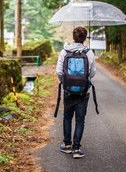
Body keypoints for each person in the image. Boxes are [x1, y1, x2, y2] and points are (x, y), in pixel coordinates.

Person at [55, 26, 96, 159]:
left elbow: (59, 72)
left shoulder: (64, 51)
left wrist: (65, 82)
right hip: (83, 92)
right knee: (80, 120)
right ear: (85, 39)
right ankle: (76, 149)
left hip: (68, 91)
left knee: (67, 117)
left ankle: (67, 146)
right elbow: (92, 73)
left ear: (73, 37)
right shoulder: (89, 53)